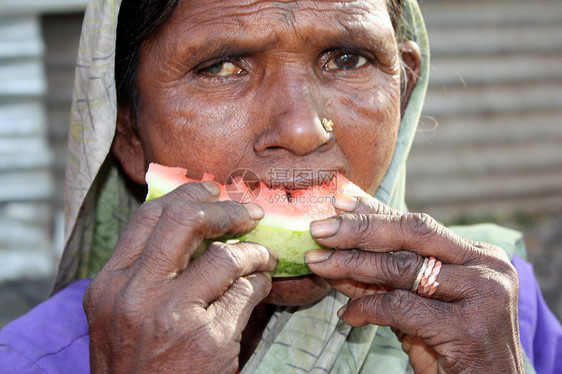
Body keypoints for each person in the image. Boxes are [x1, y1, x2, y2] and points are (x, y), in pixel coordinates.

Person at [0, 0, 560, 373]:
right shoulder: (33, 359)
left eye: (347, 58)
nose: (301, 129)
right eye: (222, 66)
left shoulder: (497, 313)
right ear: (128, 136)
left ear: (404, 89)